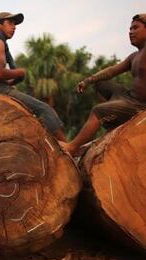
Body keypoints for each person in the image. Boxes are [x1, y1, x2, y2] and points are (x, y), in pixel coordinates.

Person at [62, 14, 146, 155]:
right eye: (130, 28)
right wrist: (89, 80)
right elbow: (112, 71)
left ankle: (72, 147)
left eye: (135, 28)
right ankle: (113, 124)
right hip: (128, 96)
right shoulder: (134, 56)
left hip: (140, 105)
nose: (130, 32)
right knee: (100, 84)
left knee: (99, 110)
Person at [0, 12, 66, 141]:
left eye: (15, 24)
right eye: (10, 23)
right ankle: (68, 150)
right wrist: (20, 72)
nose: (14, 27)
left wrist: (13, 79)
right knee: (44, 110)